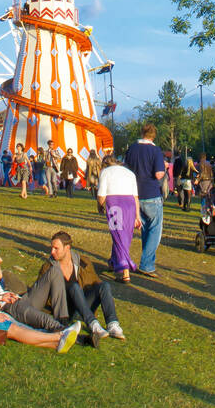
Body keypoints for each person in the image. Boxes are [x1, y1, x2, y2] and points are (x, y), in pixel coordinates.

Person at [28, 231, 126, 346]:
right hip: (65, 311)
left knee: (104, 286)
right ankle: (93, 324)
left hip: (83, 306)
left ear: (67, 248)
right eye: (52, 248)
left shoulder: (83, 262)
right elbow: (40, 294)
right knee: (74, 287)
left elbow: (95, 283)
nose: (52, 252)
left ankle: (113, 324)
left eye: (56, 248)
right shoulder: (48, 268)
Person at [124, 124, 167, 278]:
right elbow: (158, 174)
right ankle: (147, 264)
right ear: (154, 135)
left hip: (134, 193)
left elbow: (126, 169)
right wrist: (166, 167)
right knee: (154, 229)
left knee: (145, 229)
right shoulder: (155, 150)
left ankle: (145, 262)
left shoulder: (132, 149)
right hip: (151, 193)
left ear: (142, 133)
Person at [94, 153, 141, 283]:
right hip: (130, 204)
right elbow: (135, 197)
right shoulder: (129, 173)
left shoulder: (105, 172)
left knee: (119, 236)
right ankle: (113, 261)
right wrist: (137, 216)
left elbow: (101, 193)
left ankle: (125, 271)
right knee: (123, 235)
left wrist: (99, 205)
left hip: (115, 204)